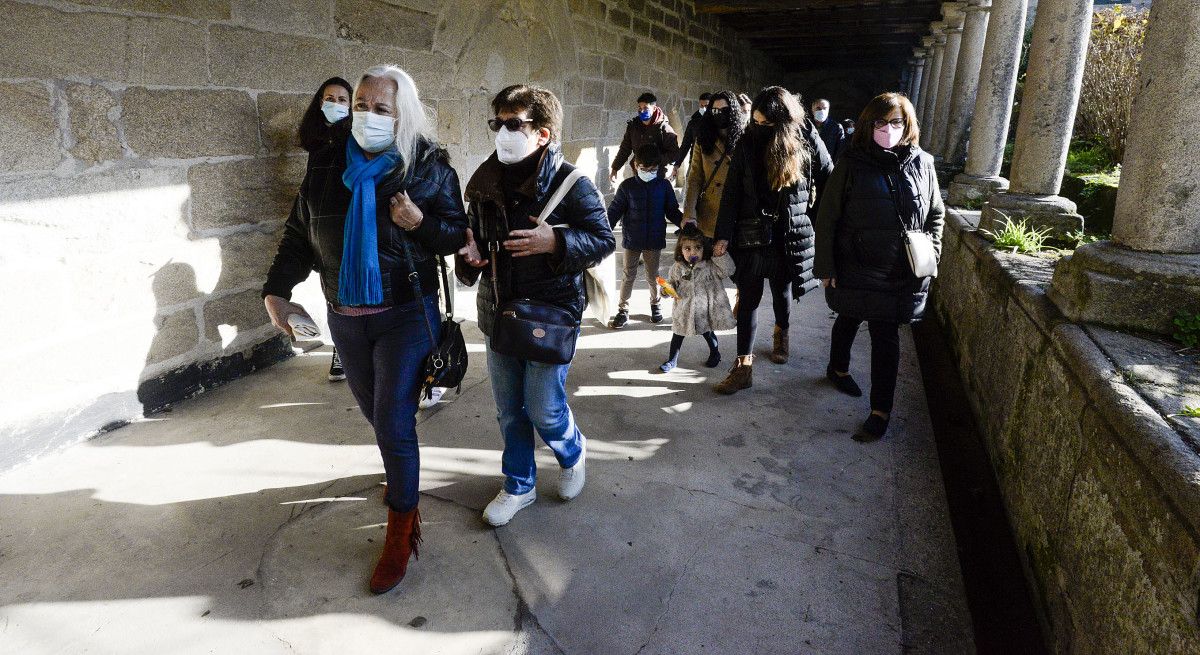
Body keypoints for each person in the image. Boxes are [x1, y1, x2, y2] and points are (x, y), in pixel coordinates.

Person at [262, 65, 468, 594]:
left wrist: (420, 223)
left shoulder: (427, 167)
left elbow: (454, 236)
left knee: (394, 419)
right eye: (363, 106)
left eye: (383, 109)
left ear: (403, 115)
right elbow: (298, 234)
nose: (369, 117)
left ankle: (402, 527)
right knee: (375, 413)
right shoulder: (327, 162)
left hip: (406, 312)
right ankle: (401, 478)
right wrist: (277, 292)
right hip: (344, 317)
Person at [455, 84, 614, 527]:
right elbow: (474, 242)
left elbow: (603, 239)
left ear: (542, 133)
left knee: (543, 405)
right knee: (510, 408)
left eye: (514, 125)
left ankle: (572, 450)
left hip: (551, 312)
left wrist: (557, 240)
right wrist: (471, 259)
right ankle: (518, 484)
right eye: (497, 123)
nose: (502, 133)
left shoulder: (572, 183)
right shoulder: (484, 182)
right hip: (500, 311)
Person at [813, 92, 944, 442]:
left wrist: (932, 253)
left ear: (908, 126)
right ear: (870, 124)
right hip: (854, 264)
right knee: (849, 317)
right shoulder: (852, 162)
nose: (888, 129)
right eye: (881, 123)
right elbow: (828, 217)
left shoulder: (923, 163)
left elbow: (935, 214)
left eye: (896, 123)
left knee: (886, 338)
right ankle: (837, 369)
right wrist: (826, 265)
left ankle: (880, 410)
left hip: (898, 271)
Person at [712, 86, 833, 394]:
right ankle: (743, 367)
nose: (759, 127)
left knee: (782, 293)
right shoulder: (747, 142)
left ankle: (782, 333)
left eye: (765, 123)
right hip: (751, 233)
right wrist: (723, 234)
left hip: (786, 236)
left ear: (780, 121)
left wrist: (813, 216)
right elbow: (732, 192)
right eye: (755, 121)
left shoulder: (804, 140)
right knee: (748, 298)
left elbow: (830, 176)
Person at [297, 77, 354, 382]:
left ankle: (349, 347)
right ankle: (341, 349)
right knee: (332, 293)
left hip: (348, 223)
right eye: (329, 99)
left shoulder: (355, 139)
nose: (335, 105)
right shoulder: (317, 144)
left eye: (342, 99)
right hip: (324, 230)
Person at [607, 144, 681, 329]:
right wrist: (604, 227)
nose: (648, 172)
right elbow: (615, 210)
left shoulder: (663, 186)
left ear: (659, 167)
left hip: (654, 239)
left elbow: (672, 211)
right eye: (644, 168)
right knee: (628, 274)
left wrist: (685, 224)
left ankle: (655, 304)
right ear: (635, 166)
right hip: (632, 238)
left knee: (653, 275)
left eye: (653, 169)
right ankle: (623, 309)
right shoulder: (627, 187)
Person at [657, 224, 735, 373]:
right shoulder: (677, 267)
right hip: (683, 310)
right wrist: (666, 290)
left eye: (698, 248)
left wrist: (720, 256)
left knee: (708, 333)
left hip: (704, 311)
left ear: (704, 248)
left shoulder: (710, 265)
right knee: (677, 335)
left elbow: (728, 270)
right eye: (687, 248)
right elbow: (671, 283)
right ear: (680, 250)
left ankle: (715, 353)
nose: (693, 252)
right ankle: (672, 360)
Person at [682, 90, 746, 238]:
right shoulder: (703, 137)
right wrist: (689, 213)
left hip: (736, 209)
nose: (719, 114)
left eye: (725, 110)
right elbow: (695, 177)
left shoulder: (744, 138)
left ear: (733, 111)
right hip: (710, 210)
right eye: (715, 110)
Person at [609, 92, 679, 183]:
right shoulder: (633, 126)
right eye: (640, 108)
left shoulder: (664, 129)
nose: (642, 111)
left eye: (645, 108)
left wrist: (654, 161)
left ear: (654, 108)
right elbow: (625, 149)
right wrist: (615, 168)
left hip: (657, 176)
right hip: (638, 173)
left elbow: (675, 153)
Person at [672, 92, 711, 172]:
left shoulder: (717, 122)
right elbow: (685, 145)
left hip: (711, 162)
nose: (703, 108)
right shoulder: (693, 123)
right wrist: (677, 164)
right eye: (701, 106)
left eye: (706, 106)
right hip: (695, 161)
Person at [811, 98, 845, 162]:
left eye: (824, 108)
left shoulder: (836, 128)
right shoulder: (806, 126)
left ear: (828, 111)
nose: (821, 111)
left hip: (826, 167)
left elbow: (839, 152)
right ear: (813, 109)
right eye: (818, 108)